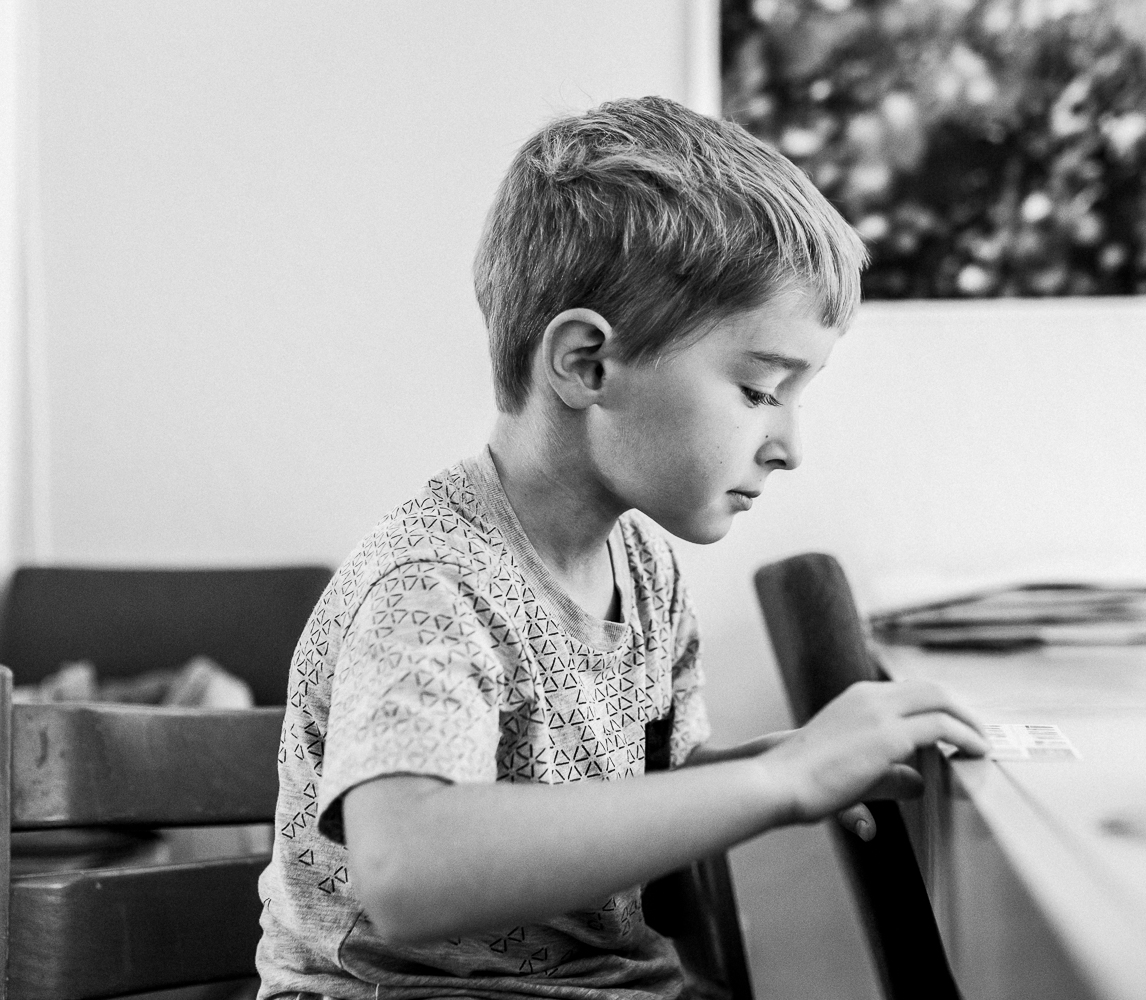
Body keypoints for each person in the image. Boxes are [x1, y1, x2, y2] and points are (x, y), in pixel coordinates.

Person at [255, 95, 989, 999]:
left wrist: (787, 765)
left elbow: (646, 799)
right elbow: (406, 870)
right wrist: (783, 782)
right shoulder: (433, 583)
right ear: (587, 365)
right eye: (762, 390)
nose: (790, 446)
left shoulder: (644, 573)